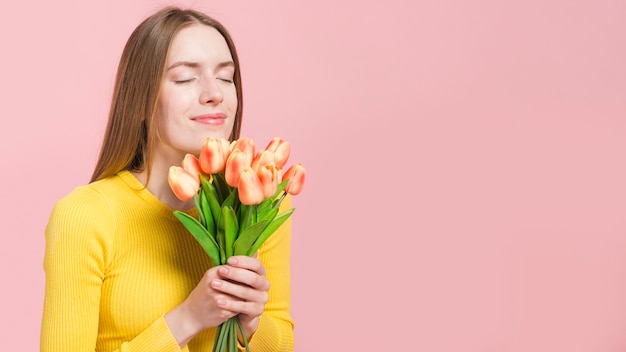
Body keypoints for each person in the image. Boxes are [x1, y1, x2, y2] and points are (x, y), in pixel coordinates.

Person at [41, 6, 294, 351]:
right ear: (142, 99)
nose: (214, 93)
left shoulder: (258, 201)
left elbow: (282, 342)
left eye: (225, 76)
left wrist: (251, 323)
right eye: (185, 78)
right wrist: (187, 319)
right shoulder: (86, 215)